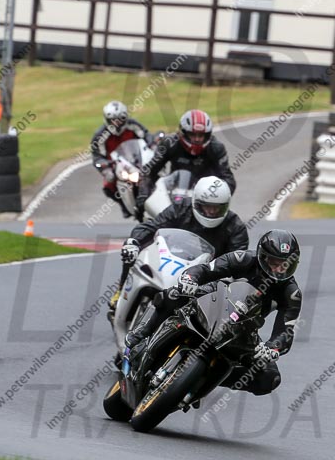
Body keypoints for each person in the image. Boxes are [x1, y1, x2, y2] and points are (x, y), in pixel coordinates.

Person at [124, 229, 302, 396]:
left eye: (285, 265)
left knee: (270, 379)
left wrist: (272, 347)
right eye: (274, 263)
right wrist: (190, 278)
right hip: (214, 297)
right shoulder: (243, 259)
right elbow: (207, 269)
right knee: (172, 294)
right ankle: (141, 333)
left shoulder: (291, 293)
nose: (279, 270)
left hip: (245, 328)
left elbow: (286, 330)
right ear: (262, 256)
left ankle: (205, 380)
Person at [109, 176, 247, 312]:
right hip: (171, 259)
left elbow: (236, 264)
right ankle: (121, 290)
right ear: (196, 203)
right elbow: (154, 225)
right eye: (206, 206)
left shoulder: (236, 227)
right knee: (130, 252)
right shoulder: (181, 207)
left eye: (217, 208)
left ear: (225, 206)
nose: (211, 211)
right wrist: (134, 241)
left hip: (205, 277)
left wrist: (228, 280)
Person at [135, 109, 236, 220]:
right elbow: (149, 171)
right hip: (174, 193)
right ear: (183, 133)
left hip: (204, 198)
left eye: (201, 135)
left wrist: (215, 197)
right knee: (144, 214)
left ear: (208, 135)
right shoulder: (170, 143)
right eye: (193, 135)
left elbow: (228, 179)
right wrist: (144, 194)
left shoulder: (216, 148)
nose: (197, 139)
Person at [91, 101, 153, 218]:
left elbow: (146, 135)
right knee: (108, 183)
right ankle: (124, 205)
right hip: (116, 165)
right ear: (107, 120)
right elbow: (97, 156)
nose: (117, 123)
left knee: (156, 171)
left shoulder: (133, 125)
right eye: (113, 120)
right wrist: (105, 166)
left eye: (120, 119)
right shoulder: (100, 135)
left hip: (137, 160)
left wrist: (152, 143)